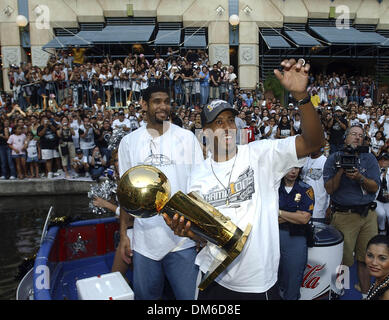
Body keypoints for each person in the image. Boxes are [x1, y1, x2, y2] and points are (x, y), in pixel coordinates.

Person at [163, 58, 324, 300]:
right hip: (215, 277)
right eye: (218, 122)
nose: (227, 126)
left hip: (258, 284)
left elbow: (313, 142)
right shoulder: (197, 175)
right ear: (205, 132)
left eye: (230, 120)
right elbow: (205, 233)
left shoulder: (261, 154)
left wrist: (302, 97)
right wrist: (188, 232)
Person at [117, 85, 204, 300]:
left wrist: (201, 235)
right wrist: (123, 236)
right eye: (157, 101)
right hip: (144, 242)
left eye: (166, 101)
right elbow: (126, 196)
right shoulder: (129, 143)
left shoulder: (187, 138)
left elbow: (199, 189)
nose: (163, 106)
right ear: (144, 105)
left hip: (183, 239)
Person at [323, 124, 381, 299]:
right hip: (343, 215)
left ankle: (365, 295)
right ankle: (339, 292)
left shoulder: (369, 158)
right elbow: (330, 189)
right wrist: (342, 169)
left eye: (361, 135)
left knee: (366, 259)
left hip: (367, 215)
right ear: (345, 137)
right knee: (341, 261)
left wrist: (360, 178)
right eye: (354, 134)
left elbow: (374, 187)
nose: (357, 137)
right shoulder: (333, 158)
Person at [278, 167, 314, 300]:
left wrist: (279, 212)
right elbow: (266, 216)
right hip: (273, 237)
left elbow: (304, 218)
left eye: (297, 168)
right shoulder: (273, 187)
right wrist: (294, 215)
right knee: (272, 276)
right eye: (289, 168)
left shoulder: (306, 189)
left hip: (295, 238)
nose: (293, 171)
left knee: (293, 279)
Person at [301, 149, 330, 223]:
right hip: (302, 210)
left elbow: (330, 188)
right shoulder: (304, 161)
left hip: (318, 210)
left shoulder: (326, 162)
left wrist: (329, 207)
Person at [365, 235, 389, 300]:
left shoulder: (387, 295)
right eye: (370, 255)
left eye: (382, 258)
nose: (374, 263)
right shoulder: (381, 279)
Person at [375, 153, 389, 235]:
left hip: (388, 200)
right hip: (377, 199)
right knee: (381, 214)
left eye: (386, 159)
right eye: (381, 159)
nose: (383, 161)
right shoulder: (375, 172)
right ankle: (382, 230)